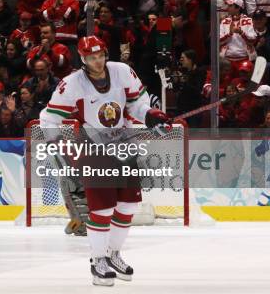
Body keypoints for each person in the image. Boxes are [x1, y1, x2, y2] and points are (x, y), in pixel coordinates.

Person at [40, 35, 170, 286]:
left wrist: (150, 115)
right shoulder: (72, 84)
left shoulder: (122, 72)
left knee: (128, 206)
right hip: (93, 146)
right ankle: (98, 260)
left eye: (100, 56)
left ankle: (113, 254)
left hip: (124, 145)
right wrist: (58, 144)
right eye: (91, 58)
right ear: (83, 59)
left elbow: (136, 104)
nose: (97, 62)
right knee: (101, 208)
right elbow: (48, 117)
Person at [219, 0, 257, 76]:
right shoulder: (224, 21)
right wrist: (229, 34)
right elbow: (218, 41)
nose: (227, 8)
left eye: (230, 6)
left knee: (242, 85)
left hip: (244, 59)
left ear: (238, 8)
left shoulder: (248, 21)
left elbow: (253, 40)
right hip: (227, 60)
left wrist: (241, 32)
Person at [173, 49, 207, 128]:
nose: (181, 60)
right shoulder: (183, 71)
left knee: (192, 136)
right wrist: (176, 81)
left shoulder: (200, 72)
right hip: (181, 109)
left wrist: (183, 81)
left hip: (194, 110)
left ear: (190, 60)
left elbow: (197, 90)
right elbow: (176, 90)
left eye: (183, 58)